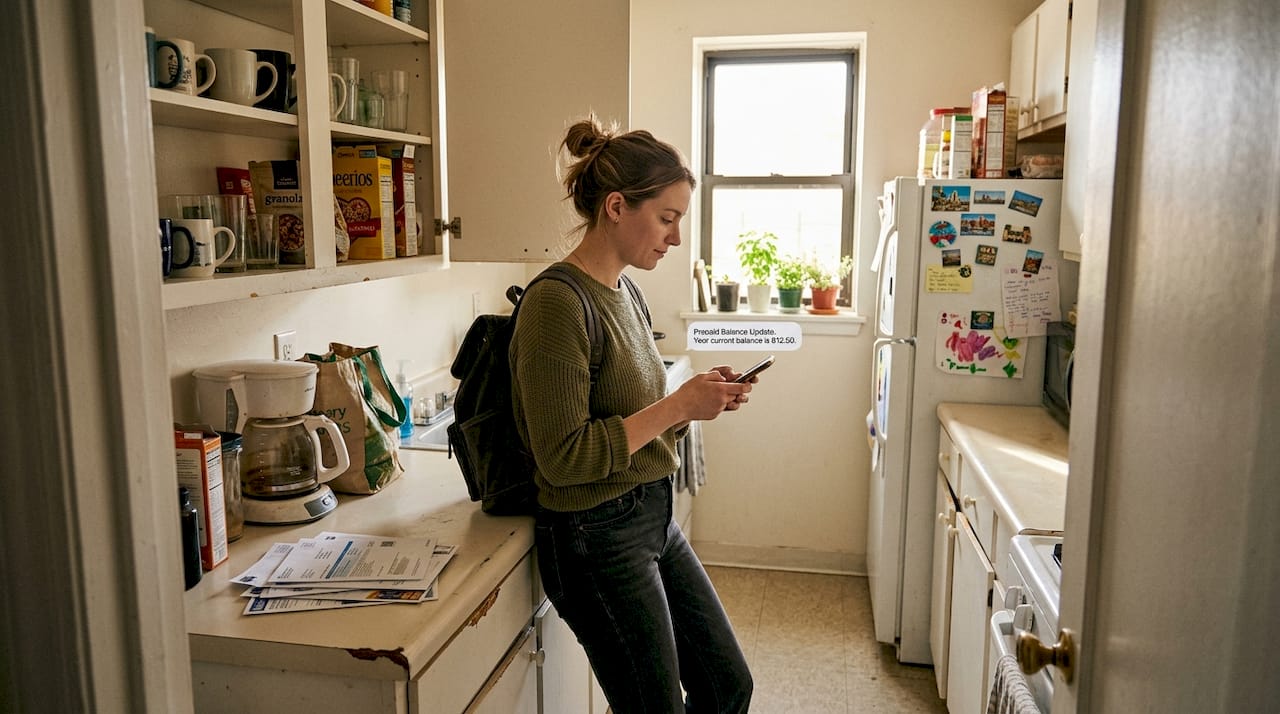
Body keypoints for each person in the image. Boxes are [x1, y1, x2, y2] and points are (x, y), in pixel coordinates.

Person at [509, 115, 755, 713]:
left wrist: (700, 399)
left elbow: (636, 410)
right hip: (595, 535)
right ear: (617, 206)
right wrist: (677, 406)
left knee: (727, 686)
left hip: (651, 515)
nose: (674, 238)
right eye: (666, 218)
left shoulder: (626, 291)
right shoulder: (555, 305)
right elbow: (564, 458)